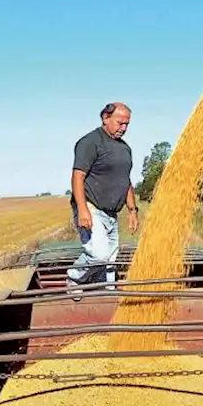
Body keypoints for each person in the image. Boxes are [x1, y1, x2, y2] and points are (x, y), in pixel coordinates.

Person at [67, 102, 139, 292]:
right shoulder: (90, 142)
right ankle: (74, 278)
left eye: (127, 124)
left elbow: (126, 180)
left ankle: (105, 293)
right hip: (92, 207)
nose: (123, 128)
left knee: (110, 261)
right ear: (105, 118)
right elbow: (78, 176)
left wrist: (132, 210)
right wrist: (83, 210)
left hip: (111, 213)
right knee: (99, 255)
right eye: (119, 123)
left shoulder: (125, 149)